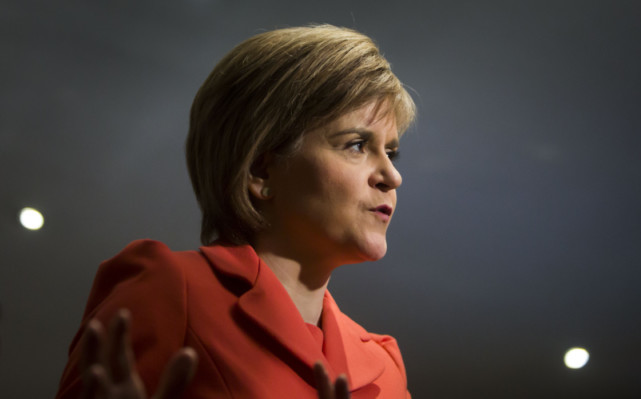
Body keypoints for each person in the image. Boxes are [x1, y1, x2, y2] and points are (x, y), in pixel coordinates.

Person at [54, 24, 416, 399]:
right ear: (260, 171)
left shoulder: (384, 366)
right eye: (356, 145)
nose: (392, 176)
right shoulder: (170, 291)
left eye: (391, 152)